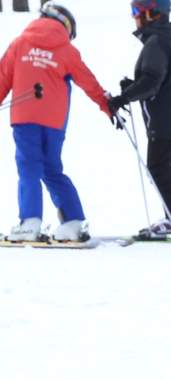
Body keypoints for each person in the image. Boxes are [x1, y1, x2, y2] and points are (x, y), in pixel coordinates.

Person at [0, 3, 112, 243]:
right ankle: (73, 222)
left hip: (24, 118)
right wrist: (107, 105)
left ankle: (29, 222)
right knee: (52, 169)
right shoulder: (66, 51)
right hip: (54, 122)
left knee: (29, 167)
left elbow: (2, 78)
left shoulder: (19, 44)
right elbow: (88, 81)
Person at [106, 0, 171, 238]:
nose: (134, 17)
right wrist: (131, 88)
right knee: (163, 166)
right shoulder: (162, 40)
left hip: (165, 120)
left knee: (161, 167)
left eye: (136, 11)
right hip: (169, 118)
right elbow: (153, 79)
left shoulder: (157, 42)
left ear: (151, 13)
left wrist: (123, 97)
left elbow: (152, 81)